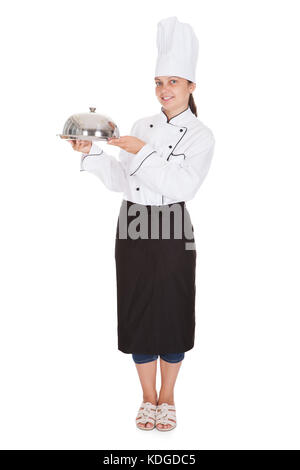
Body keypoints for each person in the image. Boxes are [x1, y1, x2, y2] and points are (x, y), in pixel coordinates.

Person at [68, 17, 215, 432]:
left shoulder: (202, 135)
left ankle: (168, 398)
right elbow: (124, 181)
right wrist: (92, 154)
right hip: (131, 221)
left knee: (171, 309)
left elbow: (183, 183)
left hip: (171, 226)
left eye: (173, 81)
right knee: (135, 308)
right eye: (158, 82)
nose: (164, 90)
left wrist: (142, 151)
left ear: (190, 87)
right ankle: (146, 398)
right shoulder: (140, 126)